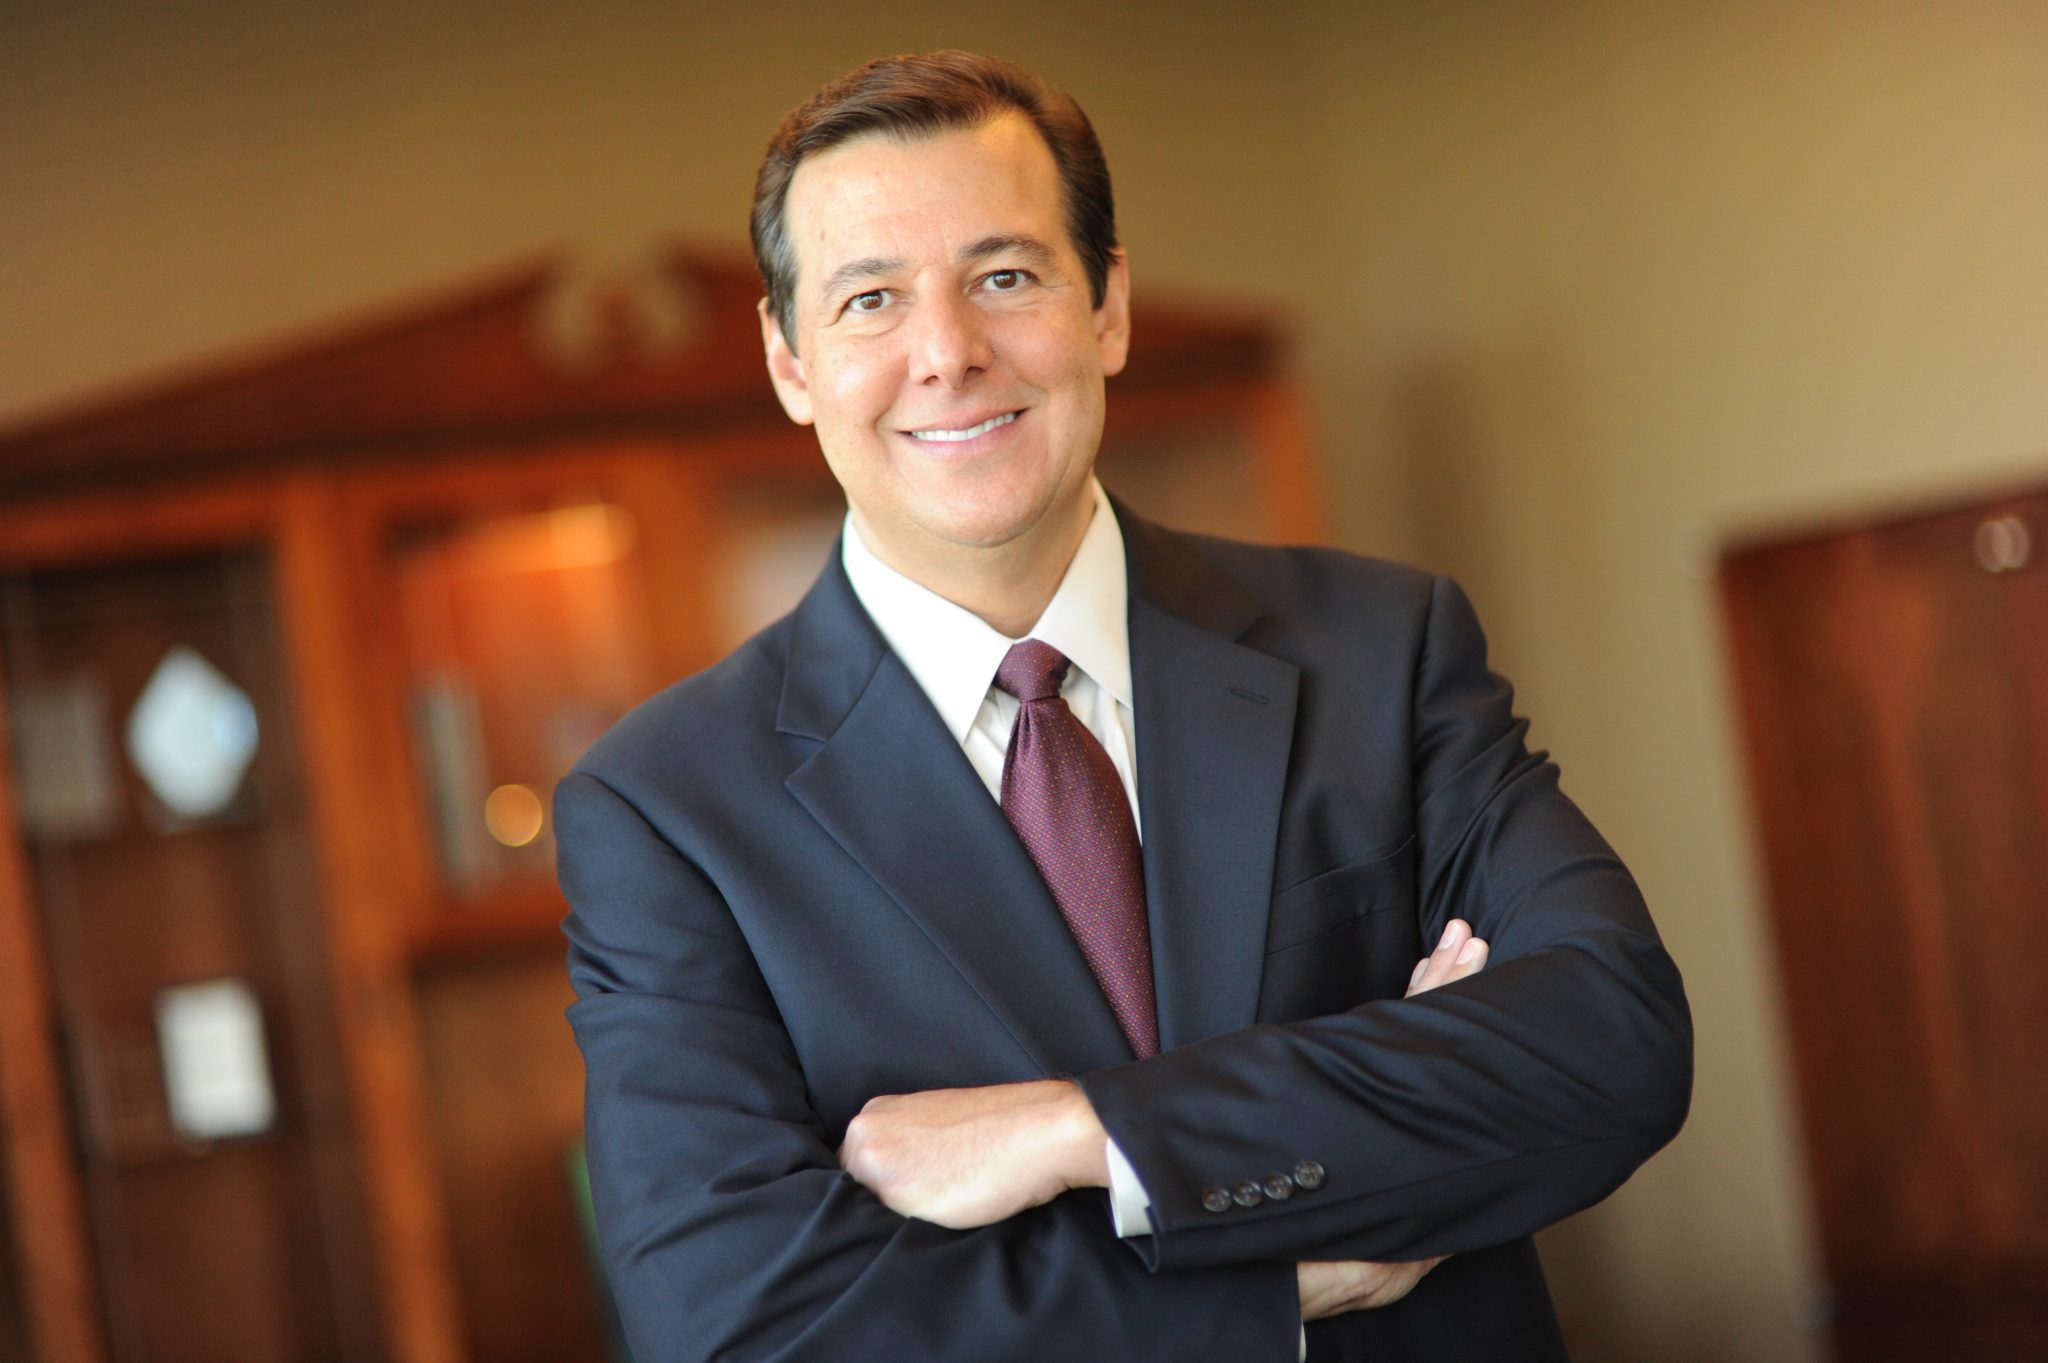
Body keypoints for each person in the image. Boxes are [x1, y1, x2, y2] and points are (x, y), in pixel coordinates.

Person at [556, 50, 1690, 1363]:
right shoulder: (669, 809)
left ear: (1107, 307)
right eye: (871, 300)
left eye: (1004, 276)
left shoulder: (1383, 648)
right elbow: (741, 1326)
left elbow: (1611, 1043)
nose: (948, 354)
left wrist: (1079, 1131)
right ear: (791, 360)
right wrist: (1279, 1277)